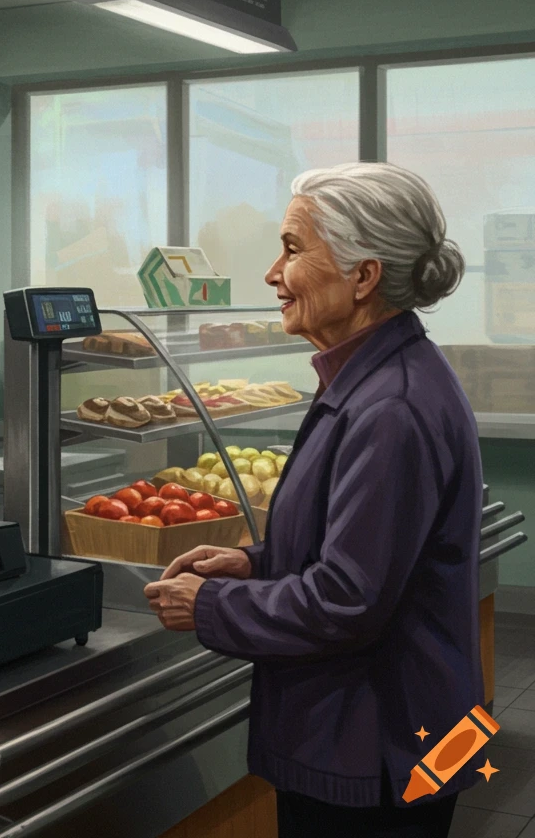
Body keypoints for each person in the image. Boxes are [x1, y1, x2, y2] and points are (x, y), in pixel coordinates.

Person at [144, 162, 477, 838]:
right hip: (397, 737)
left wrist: (208, 605)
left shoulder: (391, 408)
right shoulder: (376, 378)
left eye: (293, 250)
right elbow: (354, 551)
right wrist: (255, 563)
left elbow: (347, 601)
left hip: (376, 751)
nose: (273, 274)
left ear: (364, 276)